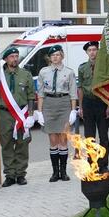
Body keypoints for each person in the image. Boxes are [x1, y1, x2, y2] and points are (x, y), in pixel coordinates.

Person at [37, 45, 77, 182]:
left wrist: (73, 110)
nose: (55, 57)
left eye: (58, 55)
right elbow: (40, 93)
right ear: (49, 58)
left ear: (62, 56)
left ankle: (64, 172)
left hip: (64, 103)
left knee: (63, 139)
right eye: (53, 55)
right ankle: (55, 172)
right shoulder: (43, 72)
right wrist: (40, 111)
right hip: (49, 105)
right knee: (53, 140)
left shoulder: (69, 72)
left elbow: (73, 93)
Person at [0, 47, 35, 187]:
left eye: (16, 56)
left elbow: (31, 95)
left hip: (22, 113)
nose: (15, 59)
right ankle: (9, 175)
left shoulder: (25, 74)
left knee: (22, 144)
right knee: (6, 144)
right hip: (4, 113)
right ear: (6, 59)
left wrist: (31, 115)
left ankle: (20, 174)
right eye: (12, 56)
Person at [78, 41, 109, 174]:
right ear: (87, 52)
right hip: (88, 103)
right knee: (90, 137)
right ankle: (92, 164)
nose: (92, 52)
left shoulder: (104, 67)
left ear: (98, 51)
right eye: (90, 50)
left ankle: (103, 164)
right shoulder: (82, 68)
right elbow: (80, 88)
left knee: (103, 136)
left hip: (102, 103)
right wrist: (80, 107)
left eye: (94, 50)